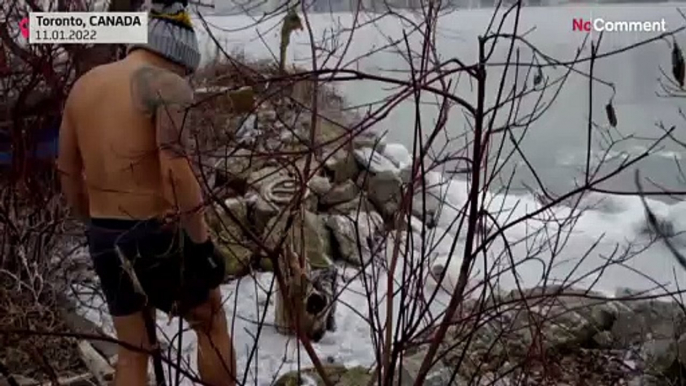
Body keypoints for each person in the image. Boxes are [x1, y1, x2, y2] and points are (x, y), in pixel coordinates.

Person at [56, 1, 236, 385]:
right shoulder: (166, 84)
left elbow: (69, 172)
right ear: (177, 52)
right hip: (156, 233)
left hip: (104, 236)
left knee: (133, 349)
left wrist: (92, 222)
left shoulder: (83, 86)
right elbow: (175, 169)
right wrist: (201, 245)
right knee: (210, 320)